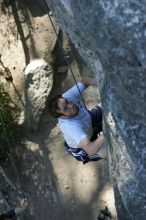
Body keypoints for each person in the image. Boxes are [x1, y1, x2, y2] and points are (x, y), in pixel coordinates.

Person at [48, 78, 107, 164]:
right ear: (62, 116)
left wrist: (103, 84)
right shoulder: (72, 127)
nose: (70, 105)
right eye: (65, 108)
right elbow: (90, 149)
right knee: (106, 150)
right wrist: (107, 134)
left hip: (88, 121)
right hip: (83, 146)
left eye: (67, 101)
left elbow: (86, 81)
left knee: (107, 105)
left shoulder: (67, 97)